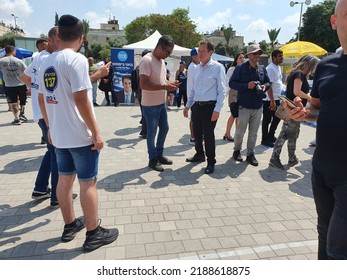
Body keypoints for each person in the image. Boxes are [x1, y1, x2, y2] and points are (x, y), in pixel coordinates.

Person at [38, 14, 118, 251]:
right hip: (79, 135)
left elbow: (43, 98)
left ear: (58, 36)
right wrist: (96, 132)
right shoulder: (77, 60)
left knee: (64, 179)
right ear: (82, 38)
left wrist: (51, 127)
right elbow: (82, 98)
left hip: (60, 135)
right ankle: (93, 233)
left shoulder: (46, 62)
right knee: (88, 183)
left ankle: (70, 224)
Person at [284, 0, 347, 260]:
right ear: (335, 22)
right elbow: (320, 108)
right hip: (321, 169)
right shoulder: (326, 65)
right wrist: (301, 111)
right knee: (323, 233)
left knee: (338, 250)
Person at [21, 27, 60, 208]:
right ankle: (57, 196)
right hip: (48, 113)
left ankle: (40, 187)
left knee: (51, 151)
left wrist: (35, 86)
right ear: (50, 41)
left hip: (40, 113)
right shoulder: (49, 59)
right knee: (58, 154)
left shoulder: (38, 58)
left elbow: (24, 77)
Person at [269, 54, 319, 170]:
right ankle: (274, 158)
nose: (313, 70)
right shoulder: (299, 74)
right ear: (308, 65)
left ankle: (292, 158)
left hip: (294, 109)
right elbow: (297, 91)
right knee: (286, 134)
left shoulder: (295, 73)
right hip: (293, 109)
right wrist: (310, 98)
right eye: (313, 67)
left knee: (293, 135)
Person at [184, 39, 226, 175]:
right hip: (197, 106)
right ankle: (199, 154)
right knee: (196, 132)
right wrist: (188, 105)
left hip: (210, 107)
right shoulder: (197, 69)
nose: (199, 53)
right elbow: (194, 90)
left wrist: (217, 109)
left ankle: (211, 161)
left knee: (208, 135)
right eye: (198, 51)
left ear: (210, 52)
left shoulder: (218, 67)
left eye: (202, 51)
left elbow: (222, 90)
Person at [139, 35, 179, 172]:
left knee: (165, 128)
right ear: (159, 47)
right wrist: (164, 87)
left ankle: (159, 154)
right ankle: (153, 159)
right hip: (150, 105)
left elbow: (160, 81)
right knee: (151, 133)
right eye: (167, 52)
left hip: (161, 103)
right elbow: (144, 84)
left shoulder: (161, 60)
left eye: (170, 53)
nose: (168, 55)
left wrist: (169, 84)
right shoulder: (146, 60)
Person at [230, 44, 270, 166]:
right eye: (254, 54)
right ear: (248, 55)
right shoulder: (240, 68)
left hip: (258, 105)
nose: (256, 56)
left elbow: (268, 82)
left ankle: (250, 154)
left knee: (254, 132)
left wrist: (264, 86)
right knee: (240, 131)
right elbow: (232, 83)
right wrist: (246, 85)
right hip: (244, 105)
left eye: (258, 53)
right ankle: (237, 151)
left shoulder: (262, 69)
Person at [261, 49, 284, 147]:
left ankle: (271, 135)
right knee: (267, 119)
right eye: (280, 56)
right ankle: (265, 138)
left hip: (277, 98)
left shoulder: (278, 67)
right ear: (274, 58)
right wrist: (272, 101)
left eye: (282, 56)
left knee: (277, 117)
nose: (282, 57)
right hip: (269, 100)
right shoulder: (270, 68)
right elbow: (268, 86)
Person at [0, 45, 27, 125]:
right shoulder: (19, 61)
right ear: (13, 51)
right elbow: (26, 71)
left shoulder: (1, 61)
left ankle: (16, 119)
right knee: (22, 101)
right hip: (21, 84)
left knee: (14, 103)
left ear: (5, 52)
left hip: (9, 86)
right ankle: (22, 113)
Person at [223, 52, 245, 142]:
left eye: (243, 57)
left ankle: (237, 134)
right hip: (233, 92)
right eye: (240, 57)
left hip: (241, 93)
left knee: (239, 115)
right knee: (234, 114)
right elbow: (228, 81)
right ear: (236, 59)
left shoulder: (245, 69)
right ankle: (227, 133)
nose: (242, 59)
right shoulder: (232, 69)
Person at [132, 49, 150, 139]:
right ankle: (146, 132)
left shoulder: (138, 67)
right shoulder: (146, 67)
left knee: (144, 112)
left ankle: (144, 130)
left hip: (141, 93)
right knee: (146, 113)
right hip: (145, 93)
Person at [186, 48, 200, 145]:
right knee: (194, 119)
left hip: (194, 95)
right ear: (194, 56)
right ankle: (193, 137)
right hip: (193, 96)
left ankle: (195, 136)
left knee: (196, 119)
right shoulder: (194, 67)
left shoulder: (193, 66)